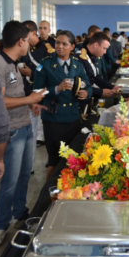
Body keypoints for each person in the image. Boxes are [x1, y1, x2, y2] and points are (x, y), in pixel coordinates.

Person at [0, 21, 48, 246]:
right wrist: (30, 99)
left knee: (25, 174)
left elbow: (15, 96)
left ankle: (19, 212)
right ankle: (0, 225)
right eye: (27, 40)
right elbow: (0, 102)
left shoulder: (14, 63)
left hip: (24, 124)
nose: (29, 44)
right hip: (12, 131)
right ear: (20, 41)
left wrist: (29, 105)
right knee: (10, 180)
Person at [32, 30, 91, 180]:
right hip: (53, 118)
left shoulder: (78, 65)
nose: (59, 46)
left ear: (72, 46)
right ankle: (49, 196)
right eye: (57, 42)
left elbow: (87, 85)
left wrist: (86, 93)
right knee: (54, 160)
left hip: (72, 118)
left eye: (64, 44)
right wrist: (57, 89)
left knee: (72, 159)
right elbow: (37, 91)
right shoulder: (45, 64)